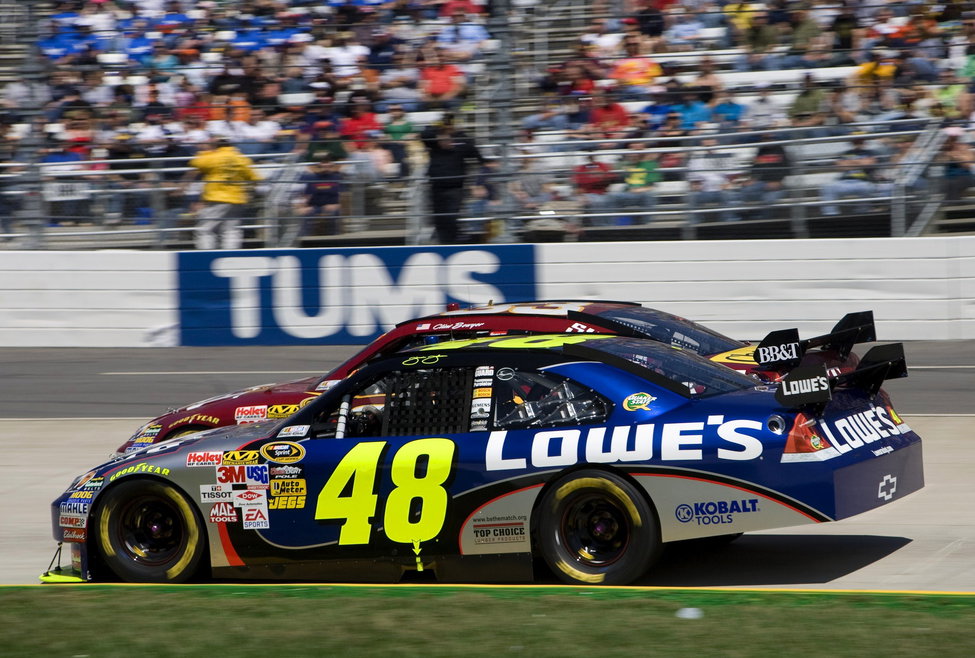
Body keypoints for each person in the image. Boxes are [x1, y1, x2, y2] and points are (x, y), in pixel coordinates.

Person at [420, 113, 487, 244]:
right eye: (446, 124)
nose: (449, 126)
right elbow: (424, 134)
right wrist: (439, 131)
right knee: (439, 219)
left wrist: (481, 179)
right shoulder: (434, 141)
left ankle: (455, 240)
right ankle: (444, 242)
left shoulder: (463, 140)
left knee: (451, 216)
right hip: (437, 186)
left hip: (455, 187)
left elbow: (478, 156)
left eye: (451, 123)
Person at [185, 137, 261, 250]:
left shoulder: (214, 157)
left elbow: (196, 162)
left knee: (205, 229)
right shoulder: (241, 159)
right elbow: (255, 178)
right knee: (231, 230)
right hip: (237, 198)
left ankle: (206, 255)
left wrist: (206, 151)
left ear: (216, 146)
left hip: (217, 198)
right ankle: (231, 255)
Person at [819, 137, 891, 216]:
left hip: (863, 181)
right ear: (852, 143)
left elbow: (869, 164)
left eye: (860, 142)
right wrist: (861, 163)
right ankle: (830, 214)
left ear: (864, 143)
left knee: (867, 187)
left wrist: (850, 163)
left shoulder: (871, 152)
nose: (858, 145)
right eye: (856, 143)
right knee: (828, 187)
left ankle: (863, 213)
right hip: (844, 182)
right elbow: (841, 166)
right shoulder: (845, 153)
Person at [297, 153, 344, 237]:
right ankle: (305, 239)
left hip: (332, 206)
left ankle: (334, 238)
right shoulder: (311, 178)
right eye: (323, 162)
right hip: (315, 206)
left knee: (334, 212)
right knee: (307, 213)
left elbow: (342, 196)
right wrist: (303, 207)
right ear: (318, 165)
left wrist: (337, 205)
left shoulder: (337, 177)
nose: (325, 164)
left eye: (328, 162)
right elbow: (305, 195)